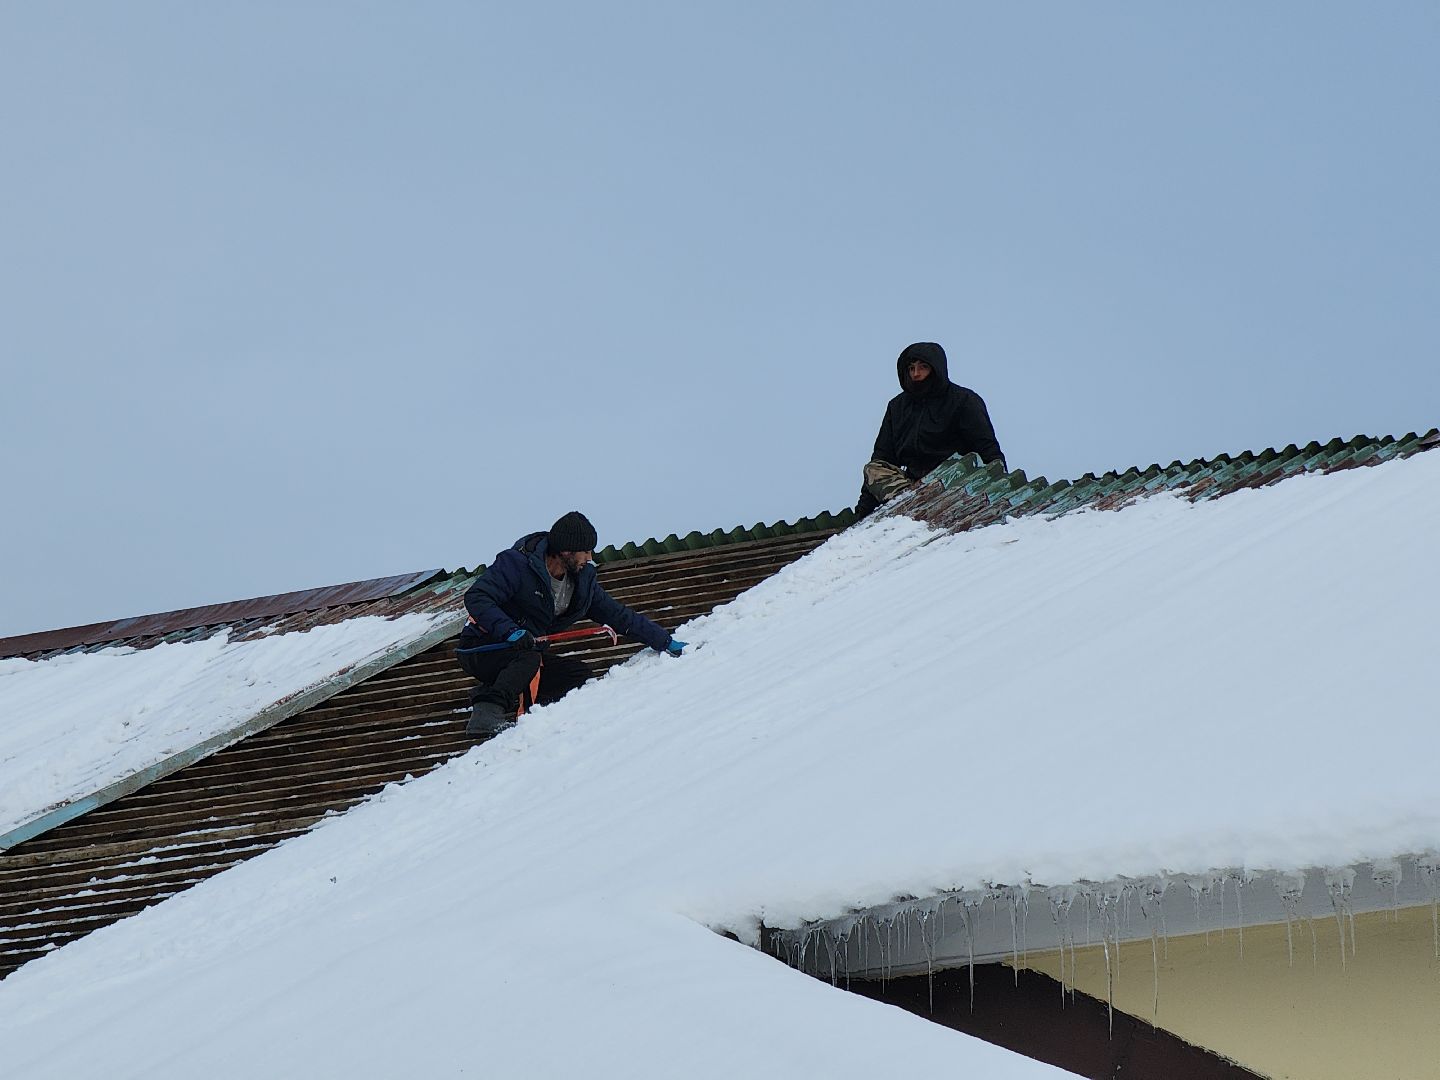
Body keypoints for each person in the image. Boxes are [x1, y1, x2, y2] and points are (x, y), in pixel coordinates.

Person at [456, 511, 686, 736]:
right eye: (585, 551)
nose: (590, 558)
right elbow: (477, 597)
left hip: (525, 651)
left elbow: (618, 615)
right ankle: (487, 713)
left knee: (576, 674)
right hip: (482, 646)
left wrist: (664, 640)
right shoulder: (517, 564)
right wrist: (510, 631)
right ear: (566, 550)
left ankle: (537, 721)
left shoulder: (582, 581)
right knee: (529, 657)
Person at [855, 341, 1006, 517]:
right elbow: (883, 456)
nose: (916, 374)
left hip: (954, 482)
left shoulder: (963, 401)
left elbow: (988, 451)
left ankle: (928, 504)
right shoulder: (897, 407)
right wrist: (862, 514)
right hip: (911, 488)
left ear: (936, 369)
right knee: (874, 468)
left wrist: (1000, 490)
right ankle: (910, 507)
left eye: (923, 367)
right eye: (911, 368)